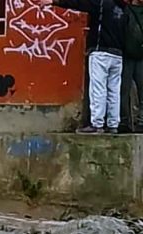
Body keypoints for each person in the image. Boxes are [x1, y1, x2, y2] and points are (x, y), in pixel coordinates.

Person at [34, 0, 125, 134]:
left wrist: (53, 2)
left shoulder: (101, 3)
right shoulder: (122, 8)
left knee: (98, 88)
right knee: (114, 91)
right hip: (118, 54)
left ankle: (97, 124)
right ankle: (113, 124)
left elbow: (79, 3)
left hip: (101, 52)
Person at [121, 0, 143, 132]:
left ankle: (131, 121)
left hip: (133, 55)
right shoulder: (125, 10)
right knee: (124, 89)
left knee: (127, 89)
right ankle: (126, 121)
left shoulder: (124, 10)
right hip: (128, 55)